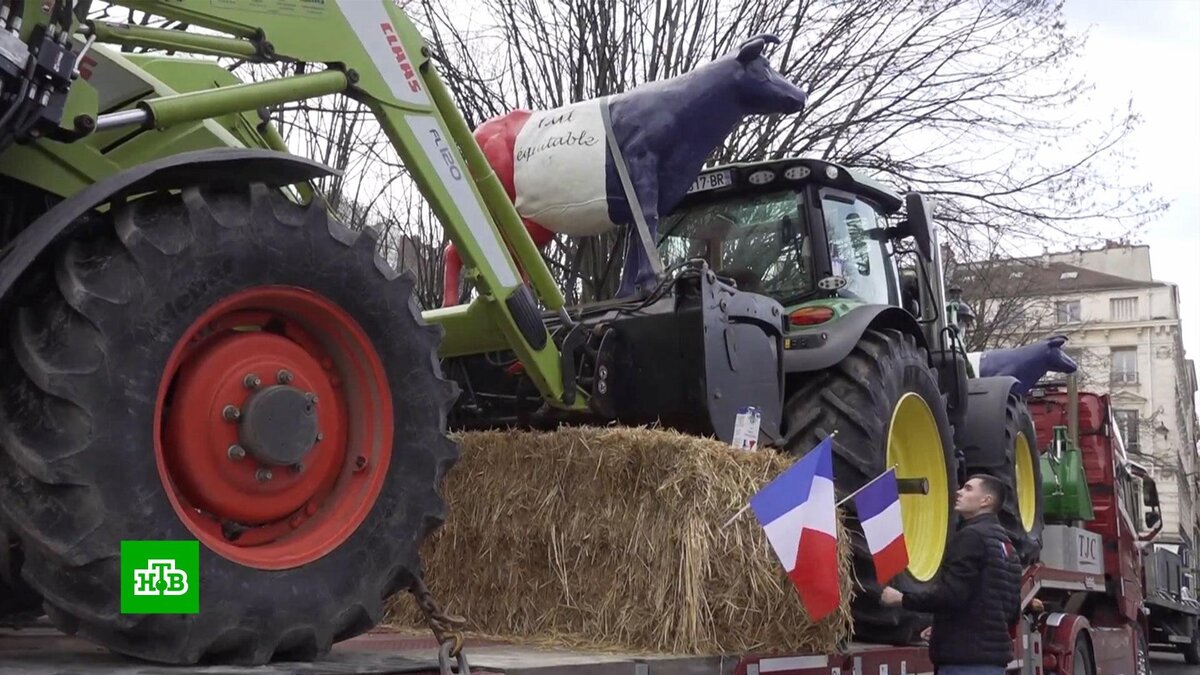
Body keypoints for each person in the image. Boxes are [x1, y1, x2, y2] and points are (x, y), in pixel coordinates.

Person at [880, 474, 1023, 675]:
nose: (959, 492)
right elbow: (1010, 610)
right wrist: (946, 627)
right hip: (991, 664)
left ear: (986, 500)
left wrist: (902, 598)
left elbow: (950, 594)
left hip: (964, 663)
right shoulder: (1008, 547)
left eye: (968, 489)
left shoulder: (971, 537)